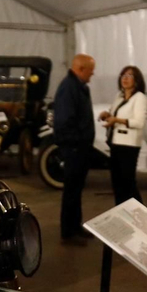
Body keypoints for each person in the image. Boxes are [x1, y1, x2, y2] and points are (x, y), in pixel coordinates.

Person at [53, 53, 97, 245]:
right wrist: (78, 143)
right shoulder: (69, 88)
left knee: (76, 190)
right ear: (81, 69)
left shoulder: (78, 86)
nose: (92, 75)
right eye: (91, 71)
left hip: (80, 148)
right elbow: (64, 121)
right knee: (71, 190)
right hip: (74, 149)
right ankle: (68, 231)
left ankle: (75, 226)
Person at [99, 65, 147, 207]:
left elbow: (139, 122)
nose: (125, 79)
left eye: (129, 76)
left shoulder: (140, 98)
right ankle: (121, 213)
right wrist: (107, 115)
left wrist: (117, 120)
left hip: (129, 145)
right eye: (123, 76)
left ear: (137, 80)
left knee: (128, 183)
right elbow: (115, 113)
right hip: (115, 143)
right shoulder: (119, 96)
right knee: (117, 184)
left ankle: (138, 214)